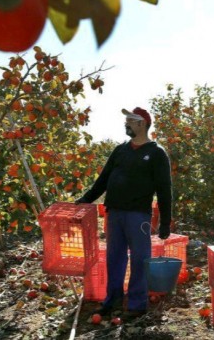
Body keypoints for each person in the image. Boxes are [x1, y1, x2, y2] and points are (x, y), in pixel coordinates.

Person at [75, 107, 172, 319]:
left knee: (139, 259)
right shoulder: (120, 151)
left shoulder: (156, 153)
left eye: (130, 120)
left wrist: (165, 222)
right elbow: (103, 179)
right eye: (126, 120)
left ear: (142, 124)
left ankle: (137, 304)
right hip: (115, 213)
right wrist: (86, 199)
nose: (126, 124)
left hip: (138, 215)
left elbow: (165, 189)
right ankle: (113, 300)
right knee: (114, 258)